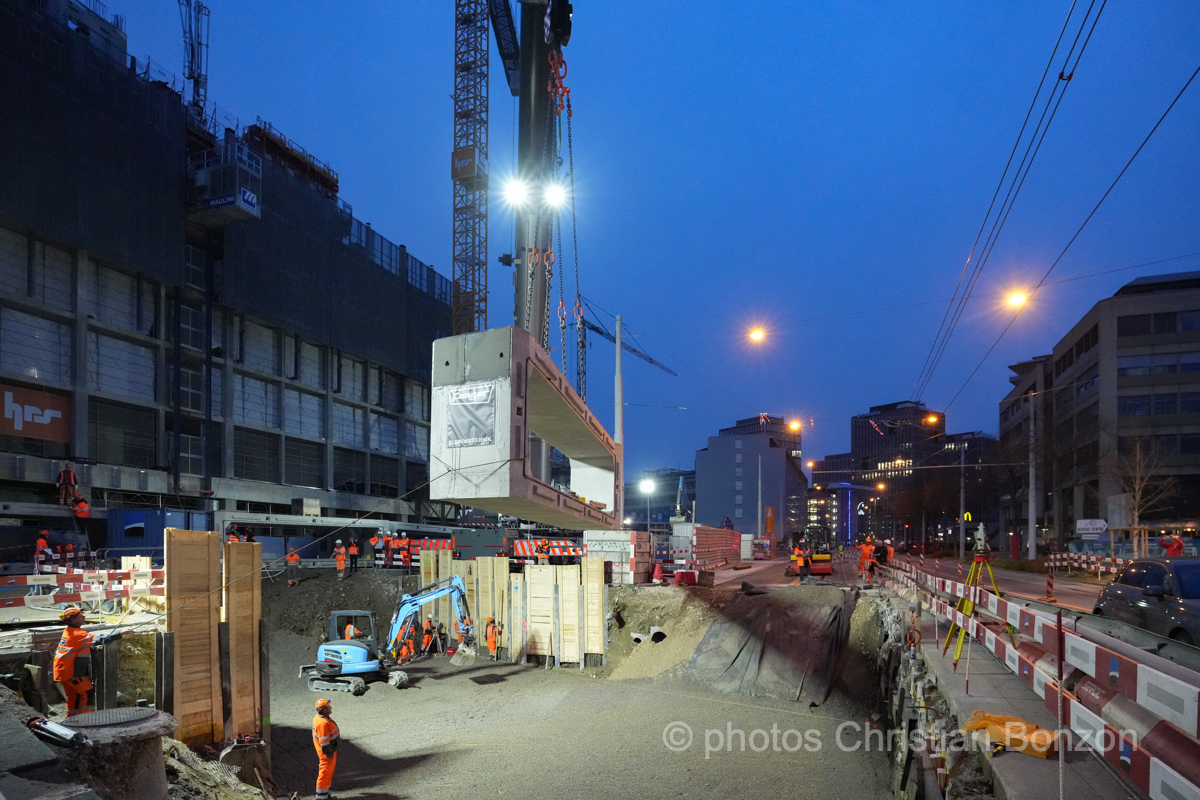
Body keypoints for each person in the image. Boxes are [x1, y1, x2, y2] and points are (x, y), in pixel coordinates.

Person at [54, 606, 96, 717]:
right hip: (71, 672)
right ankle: (85, 719)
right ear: (73, 620)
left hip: (63, 670)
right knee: (87, 693)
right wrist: (120, 634)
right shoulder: (78, 634)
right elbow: (101, 639)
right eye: (81, 616)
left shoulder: (68, 631)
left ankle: (71, 719)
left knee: (73, 696)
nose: (84, 617)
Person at [311, 698, 340, 800]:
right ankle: (321, 798)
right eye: (328, 707)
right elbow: (325, 744)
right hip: (327, 755)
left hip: (327, 753)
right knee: (324, 776)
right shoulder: (323, 723)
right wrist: (330, 753)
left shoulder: (319, 719)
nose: (331, 708)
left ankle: (326, 796)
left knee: (327, 775)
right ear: (323, 710)